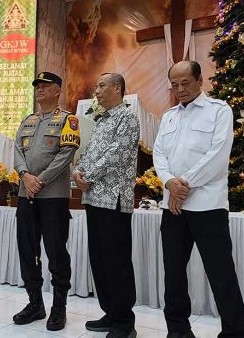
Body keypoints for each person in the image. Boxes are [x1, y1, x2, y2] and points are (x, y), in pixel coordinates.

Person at [153, 61, 244, 338]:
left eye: (185, 83)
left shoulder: (218, 111)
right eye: (174, 84)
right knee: (173, 274)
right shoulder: (169, 116)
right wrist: (170, 182)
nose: (179, 89)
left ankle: (235, 333)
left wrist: (183, 186)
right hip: (172, 208)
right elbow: (159, 154)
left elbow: (218, 155)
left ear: (199, 80)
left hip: (208, 206)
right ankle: (178, 331)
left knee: (221, 274)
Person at [73, 73, 140, 338]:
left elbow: (117, 155)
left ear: (118, 88)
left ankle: (125, 322)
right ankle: (110, 312)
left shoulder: (127, 118)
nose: (97, 91)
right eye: (96, 86)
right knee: (99, 260)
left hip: (114, 201)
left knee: (117, 262)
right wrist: (78, 171)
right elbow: (88, 152)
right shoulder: (100, 120)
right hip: (93, 199)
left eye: (102, 86)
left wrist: (87, 175)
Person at [12, 72, 80, 331]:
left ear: (57, 91)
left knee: (56, 252)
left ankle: (58, 307)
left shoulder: (67, 120)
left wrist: (38, 180)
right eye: (37, 86)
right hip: (24, 195)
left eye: (45, 86)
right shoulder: (27, 120)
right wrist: (24, 176)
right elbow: (17, 149)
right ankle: (35, 303)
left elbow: (66, 155)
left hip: (53, 197)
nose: (39, 89)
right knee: (28, 251)